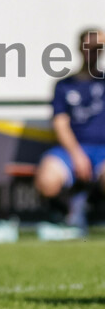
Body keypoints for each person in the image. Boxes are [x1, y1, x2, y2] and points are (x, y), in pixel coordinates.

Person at [32, 27, 105, 239]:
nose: (94, 52)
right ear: (80, 49)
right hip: (72, 149)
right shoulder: (64, 85)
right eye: (89, 47)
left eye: (99, 47)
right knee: (47, 179)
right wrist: (76, 154)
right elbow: (60, 124)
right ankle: (65, 221)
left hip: (103, 150)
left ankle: (91, 212)